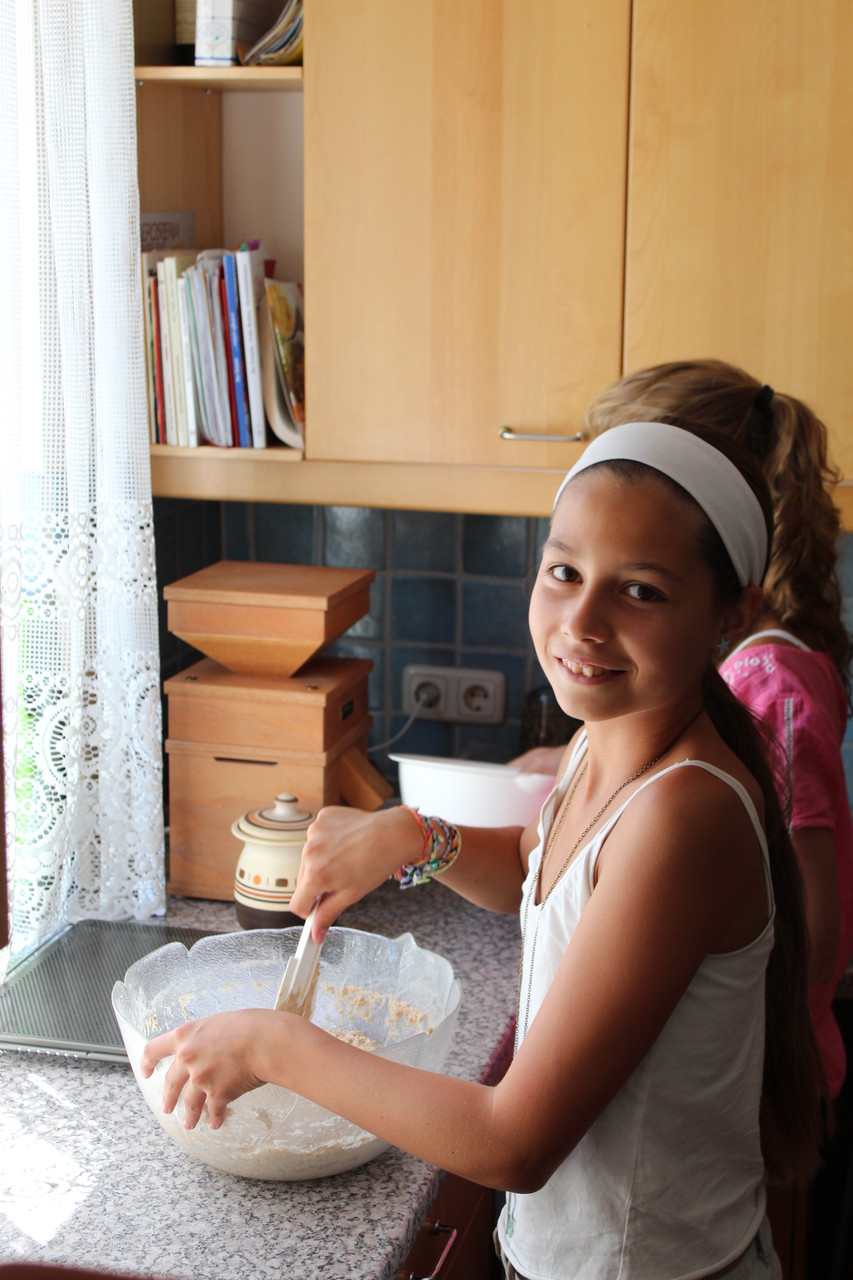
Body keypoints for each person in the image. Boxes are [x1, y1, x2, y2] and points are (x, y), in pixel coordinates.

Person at [141, 421, 825, 1280]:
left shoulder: (683, 815)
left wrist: (271, 1046)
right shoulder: (604, 741)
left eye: (640, 592)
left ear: (733, 613)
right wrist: (413, 833)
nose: (583, 621)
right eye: (564, 573)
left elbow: (513, 1144)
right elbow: (533, 872)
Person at [514, 360, 853, 1114]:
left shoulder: (767, 688)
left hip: (748, 1097)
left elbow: (817, 938)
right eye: (564, 569)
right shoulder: (667, 701)